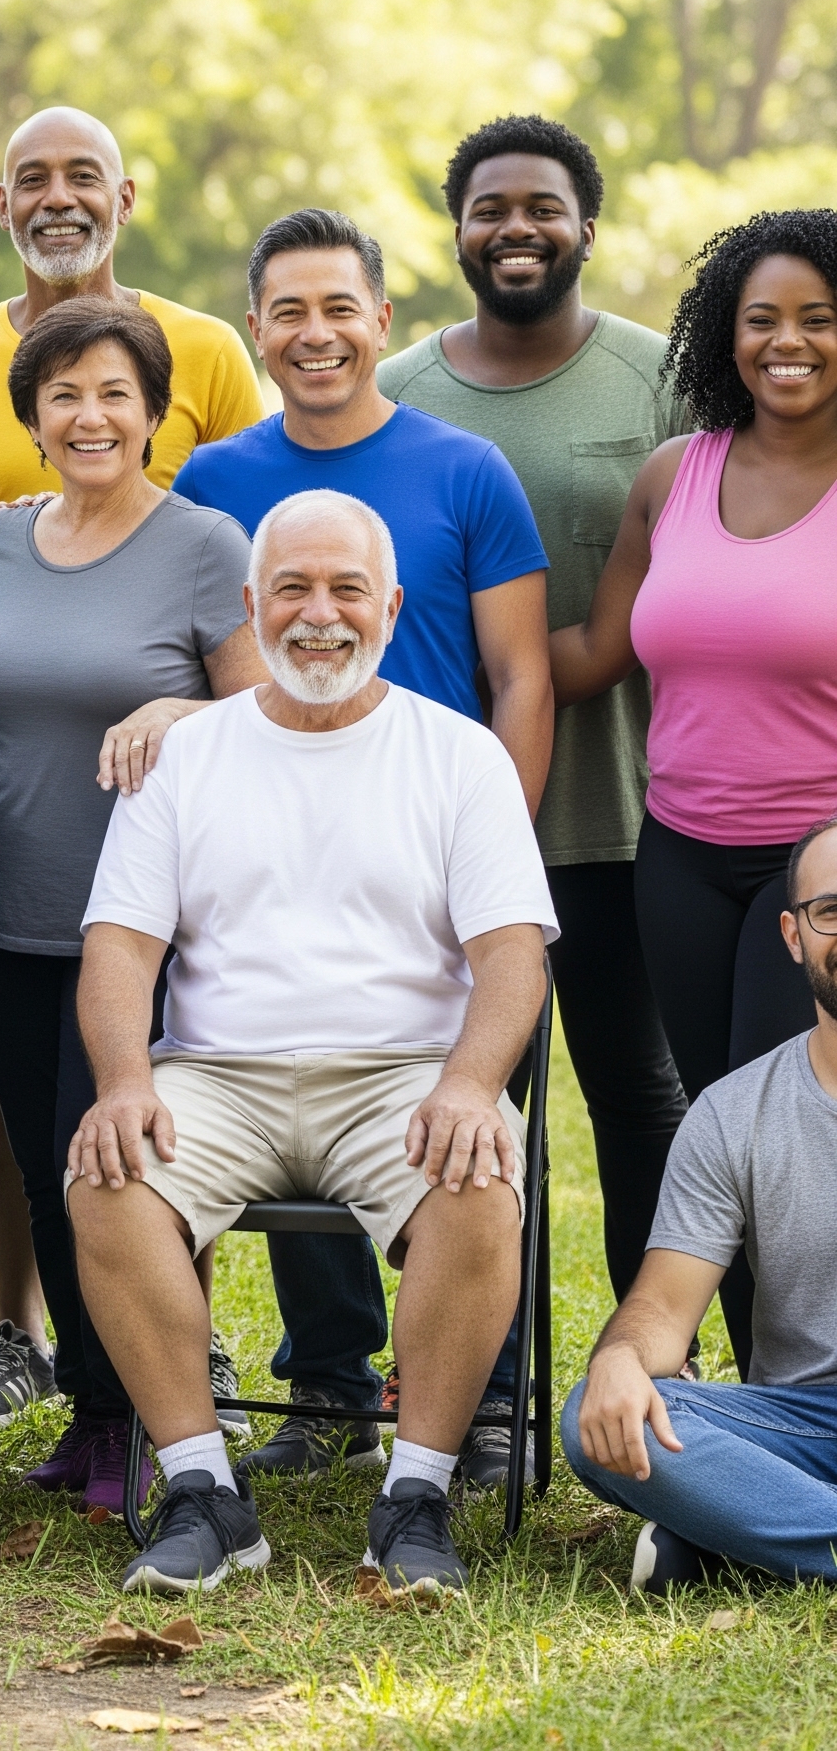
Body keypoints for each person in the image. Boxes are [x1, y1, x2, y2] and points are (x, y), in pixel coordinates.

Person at [69, 489, 555, 1598]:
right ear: (251, 604)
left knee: (481, 1173)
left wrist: (474, 1084)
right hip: (214, 1074)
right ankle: (201, 1489)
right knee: (104, 1171)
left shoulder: (457, 755)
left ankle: (416, 1493)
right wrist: (124, 1079)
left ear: (388, 604)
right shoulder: (185, 759)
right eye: (290, 587)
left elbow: (512, 958)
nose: (317, 613)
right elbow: (117, 951)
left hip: (400, 1077)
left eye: (345, 588)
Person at [172, 208, 552, 1491]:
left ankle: (481, 1406)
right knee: (282, 1044)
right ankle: (328, 1380)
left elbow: (520, 675)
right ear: (255, 331)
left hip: (436, 846)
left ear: (383, 322)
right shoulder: (215, 481)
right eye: (287, 309)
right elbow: (193, 652)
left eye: (339, 307)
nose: (315, 332)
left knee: (463, 1124)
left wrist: (495, 850)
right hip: (276, 845)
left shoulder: (465, 471)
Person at [0, 295, 265, 1515]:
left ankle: (155, 1417)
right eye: (62, 394)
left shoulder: (201, 544)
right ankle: (90, 1407)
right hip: (4, 918)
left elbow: (265, 714)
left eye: (112, 393)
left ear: (151, 415)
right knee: (38, 1165)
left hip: (141, 930)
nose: (88, 414)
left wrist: (174, 711)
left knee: (122, 1168)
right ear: (31, 416)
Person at [380, 116, 684, 1308]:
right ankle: (474, 1387)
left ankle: (659, 1370)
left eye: (541, 207)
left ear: (585, 230)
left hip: (615, 810)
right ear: (455, 232)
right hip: (438, 822)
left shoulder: (659, 377)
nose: (515, 228)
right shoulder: (397, 391)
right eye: (489, 208)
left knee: (635, 1092)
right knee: (460, 1108)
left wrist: (517, 663)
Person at [552, 208, 837, 1375]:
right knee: (717, 1129)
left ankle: (793, 1401)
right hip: (673, 850)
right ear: (722, 336)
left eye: (817, 320)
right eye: (760, 319)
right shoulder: (675, 474)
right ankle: (740, 1405)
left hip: (815, 869)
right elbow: (590, 654)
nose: (788, 343)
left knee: (793, 1136)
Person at [563, 811, 837, 1592]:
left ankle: (744, 1535)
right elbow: (661, 1309)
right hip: (804, 1426)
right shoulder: (733, 1113)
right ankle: (764, 1526)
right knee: (602, 1413)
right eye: (831, 912)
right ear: (792, 935)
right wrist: (621, 1358)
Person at [0, 106, 261, 506]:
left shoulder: (212, 353)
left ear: (124, 200)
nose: (56, 198)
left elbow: (251, 538)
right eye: (33, 180)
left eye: (83, 177)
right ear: (3, 207)